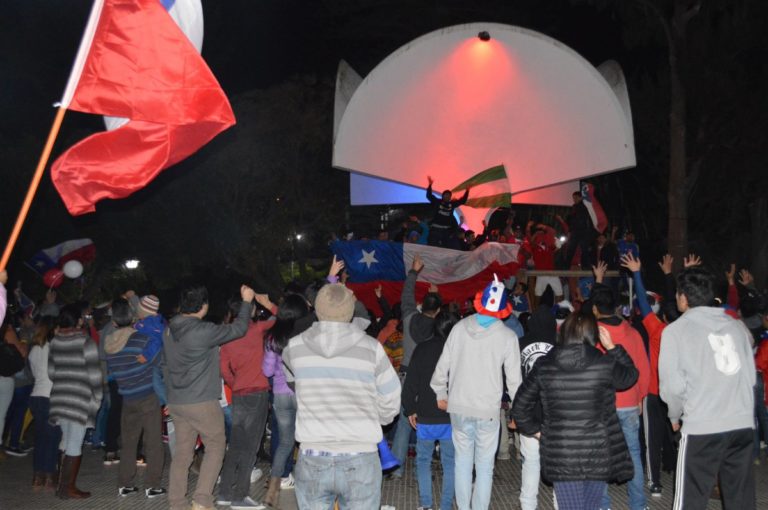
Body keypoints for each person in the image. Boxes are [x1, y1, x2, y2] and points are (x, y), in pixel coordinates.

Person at [282, 283, 400, 510]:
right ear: (351, 311)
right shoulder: (371, 348)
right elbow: (391, 398)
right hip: (361, 454)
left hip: (312, 453)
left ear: (316, 309)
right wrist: (378, 419)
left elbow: (293, 383)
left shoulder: (293, 348)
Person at [512, 312, 637, 510]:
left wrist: (537, 432)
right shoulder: (604, 363)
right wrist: (612, 347)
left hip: (562, 454)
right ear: (593, 335)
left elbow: (519, 407)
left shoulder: (545, 364)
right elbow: (630, 376)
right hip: (598, 451)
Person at [659, 266, 757, 509]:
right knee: (741, 500)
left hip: (703, 425)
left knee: (690, 500)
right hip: (742, 424)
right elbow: (751, 377)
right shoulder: (738, 327)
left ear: (683, 297)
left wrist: (674, 414)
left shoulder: (675, 331)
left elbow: (672, 385)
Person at [430, 275, 522, 510]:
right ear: (504, 309)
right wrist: (518, 410)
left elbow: (443, 364)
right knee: (484, 467)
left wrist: (440, 392)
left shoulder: (459, 328)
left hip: (459, 407)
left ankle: (463, 507)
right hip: (488, 411)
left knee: (462, 463)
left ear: (480, 301)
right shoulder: (508, 336)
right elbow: (514, 381)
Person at [164, 284, 255, 510]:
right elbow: (238, 329)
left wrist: (168, 395)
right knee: (215, 445)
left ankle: (177, 502)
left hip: (177, 401)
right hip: (201, 401)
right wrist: (246, 302)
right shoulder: (202, 331)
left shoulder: (168, 330)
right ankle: (202, 499)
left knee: (183, 453)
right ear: (204, 306)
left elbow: (164, 365)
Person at [589, 280, 650, 510]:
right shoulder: (633, 333)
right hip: (629, 403)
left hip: (602, 405)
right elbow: (642, 368)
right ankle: (638, 504)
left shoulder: (594, 334)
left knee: (601, 454)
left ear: (595, 309)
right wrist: (641, 396)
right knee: (633, 452)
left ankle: (603, 505)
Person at [217, 293, 276, 510]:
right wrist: (266, 303)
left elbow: (223, 369)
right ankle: (239, 497)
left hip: (239, 393)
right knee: (250, 447)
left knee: (236, 445)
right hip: (258, 392)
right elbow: (285, 318)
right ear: (249, 310)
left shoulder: (226, 335)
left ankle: (224, 493)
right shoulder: (258, 328)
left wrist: (236, 383)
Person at [104, 298, 166, 498]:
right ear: (132, 318)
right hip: (148, 395)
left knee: (129, 442)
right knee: (153, 441)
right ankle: (152, 485)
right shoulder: (142, 339)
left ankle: (124, 483)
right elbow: (160, 362)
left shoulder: (109, 346)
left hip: (127, 397)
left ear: (114, 322)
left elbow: (114, 372)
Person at [402, 310, 460, 510]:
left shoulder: (423, 348)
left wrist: (410, 408)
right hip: (452, 416)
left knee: (423, 460)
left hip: (426, 414)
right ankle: (445, 506)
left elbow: (411, 382)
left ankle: (426, 504)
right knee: (450, 463)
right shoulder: (460, 350)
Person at [390, 254, 441, 479]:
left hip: (406, 376)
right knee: (430, 422)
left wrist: (413, 272)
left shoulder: (409, 317)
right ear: (438, 311)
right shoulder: (440, 328)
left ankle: (397, 468)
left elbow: (407, 297)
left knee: (403, 424)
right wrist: (437, 295)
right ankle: (425, 463)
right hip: (431, 381)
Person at [48, 304, 103, 499]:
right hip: (79, 399)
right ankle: (67, 488)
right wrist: (98, 397)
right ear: (78, 320)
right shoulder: (85, 342)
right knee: (75, 443)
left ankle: (59, 483)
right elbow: (95, 375)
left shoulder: (55, 342)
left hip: (60, 397)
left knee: (65, 440)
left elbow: (51, 373)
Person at [262, 294, 309, 508]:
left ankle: (275, 486)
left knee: (285, 442)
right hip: (303, 394)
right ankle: (309, 481)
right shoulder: (304, 335)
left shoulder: (273, 337)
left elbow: (267, 370)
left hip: (281, 395)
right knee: (307, 440)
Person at [514, 305, 556, 510]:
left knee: (530, 461)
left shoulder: (520, 343)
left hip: (527, 411)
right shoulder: (560, 344)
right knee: (558, 464)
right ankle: (561, 504)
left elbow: (513, 380)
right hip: (554, 413)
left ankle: (528, 505)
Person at [28, 316, 60, 490]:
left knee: (40, 437)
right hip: (51, 396)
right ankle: (50, 475)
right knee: (52, 438)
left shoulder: (34, 350)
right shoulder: (54, 349)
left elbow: (35, 373)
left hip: (36, 396)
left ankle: (37, 476)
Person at [425, 175, 469, 247]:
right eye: (446, 195)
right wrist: (430, 185)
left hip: (446, 231)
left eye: (449, 195)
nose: (447, 196)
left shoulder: (452, 204)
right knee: (432, 246)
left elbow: (462, 201)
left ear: (450, 197)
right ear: (442, 196)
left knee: (445, 247)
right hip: (435, 229)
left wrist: (467, 191)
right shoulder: (438, 202)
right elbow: (429, 196)